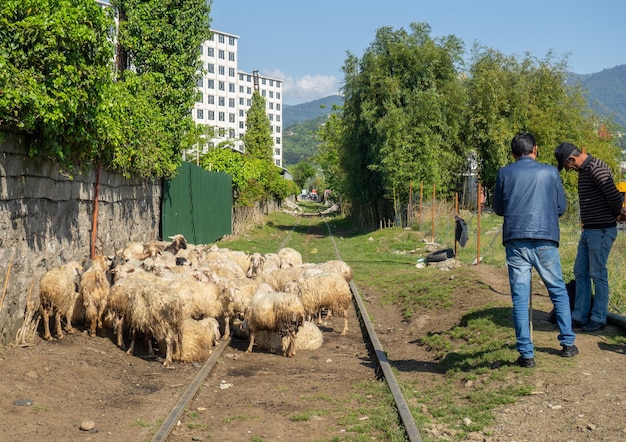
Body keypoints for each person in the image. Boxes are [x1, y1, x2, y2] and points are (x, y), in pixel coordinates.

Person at [494, 132, 578, 368]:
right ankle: (568, 344)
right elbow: (561, 207)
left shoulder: (504, 173)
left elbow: (499, 208)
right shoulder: (551, 172)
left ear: (513, 154)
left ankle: (526, 354)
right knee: (558, 290)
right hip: (545, 238)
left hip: (515, 240)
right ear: (536, 149)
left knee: (520, 297)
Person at [554, 142, 625, 332]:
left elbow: (614, 196)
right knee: (581, 272)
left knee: (598, 273)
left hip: (601, 230)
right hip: (589, 230)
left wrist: (616, 213)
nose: (568, 169)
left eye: (566, 165)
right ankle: (579, 315)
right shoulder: (584, 171)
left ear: (571, 158)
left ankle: (599, 317)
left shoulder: (596, 168)